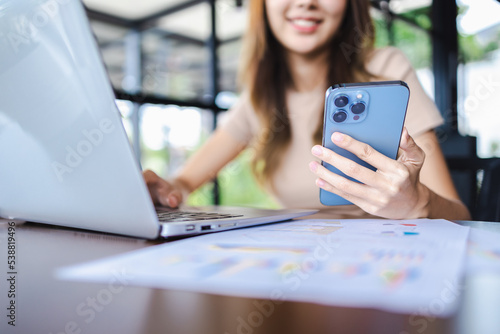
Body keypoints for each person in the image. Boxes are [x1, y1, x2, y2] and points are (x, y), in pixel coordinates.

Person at [144, 0, 471, 220]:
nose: (305, 2)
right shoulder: (259, 96)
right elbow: (183, 184)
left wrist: (418, 203)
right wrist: (168, 189)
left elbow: (460, 215)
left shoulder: (386, 69)